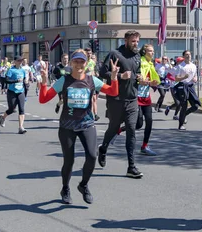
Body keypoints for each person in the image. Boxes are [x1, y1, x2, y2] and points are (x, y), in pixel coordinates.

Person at [38, 50, 119, 205]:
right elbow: (43, 99)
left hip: (86, 123)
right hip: (67, 126)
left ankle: (83, 185)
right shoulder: (64, 80)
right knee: (69, 161)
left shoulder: (92, 80)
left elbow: (113, 92)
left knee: (92, 156)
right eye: (76, 61)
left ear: (86, 63)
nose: (79, 64)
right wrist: (43, 81)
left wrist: (114, 78)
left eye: (82, 61)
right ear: (71, 63)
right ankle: (65, 188)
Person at [97, 30, 146, 179]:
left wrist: (139, 78)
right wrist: (120, 76)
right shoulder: (115, 54)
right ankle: (103, 148)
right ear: (126, 40)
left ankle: (131, 167)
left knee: (131, 130)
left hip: (132, 100)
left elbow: (136, 73)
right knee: (113, 129)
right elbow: (102, 73)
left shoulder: (137, 56)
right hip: (116, 100)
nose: (136, 44)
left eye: (137, 41)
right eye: (133, 41)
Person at [136, 44, 161, 156]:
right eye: (150, 51)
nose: (152, 53)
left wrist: (154, 83)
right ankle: (118, 131)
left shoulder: (151, 64)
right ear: (144, 52)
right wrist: (148, 82)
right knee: (138, 124)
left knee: (149, 122)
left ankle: (145, 146)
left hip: (146, 97)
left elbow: (152, 79)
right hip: (136, 96)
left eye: (153, 51)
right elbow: (139, 79)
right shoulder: (140, 62)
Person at [171, 50, 200, 130]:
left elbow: (195, 76)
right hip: (182, 86)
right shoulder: (180, 66)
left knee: (196, 106)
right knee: (184, 106)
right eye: (186, 55)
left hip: (191, 86)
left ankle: (184, 115)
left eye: (189, 54)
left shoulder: (194, 66)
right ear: (183, 57)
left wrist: (195, 78)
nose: (188, 56)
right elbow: (176, 78)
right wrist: (184, 78)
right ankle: (180, 125)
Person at [0, 56, 28, 134]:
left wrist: (25, 91)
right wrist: (16, 81)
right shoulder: (11, 70)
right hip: (12, 92)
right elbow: (6, 80)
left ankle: (21, 127)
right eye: (18, 61)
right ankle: (3, 116)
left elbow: (24, 81)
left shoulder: (23, 70)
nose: (20, 62)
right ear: (15, 61)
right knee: (12, 109)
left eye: (21, 61)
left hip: (20, 92)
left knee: (21, 109)